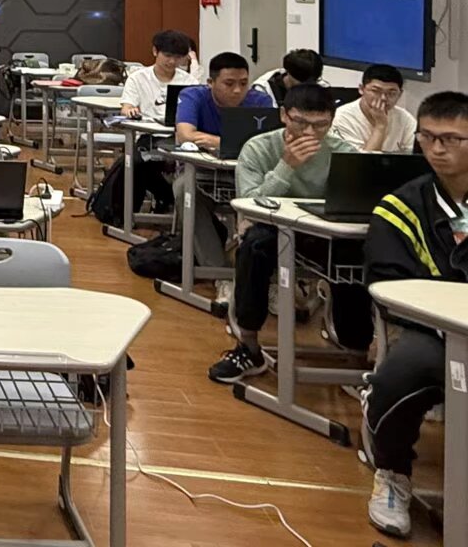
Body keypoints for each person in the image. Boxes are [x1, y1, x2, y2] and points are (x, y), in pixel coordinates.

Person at [360, 91, 468, 539]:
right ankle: (392, 473)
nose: (437, 149)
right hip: (435, 330)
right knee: (400, 375)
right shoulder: (400, 206)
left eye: (452, 139)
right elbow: (387, 283)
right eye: (428, 138)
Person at [208, 85, 352, 384]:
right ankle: (248, 345)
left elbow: (354, 203)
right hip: (271, 229)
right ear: (284, 115)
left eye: (320, 125)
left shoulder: (343, 152)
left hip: (322, 235)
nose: (309, 132)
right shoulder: (259, 147)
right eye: (301, 122)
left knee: (355, 254)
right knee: (254, 245)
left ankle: (357, 351)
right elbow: (249, 203)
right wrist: (287, 166)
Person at [176, 52, 276, 150]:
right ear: (210, 83)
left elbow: (267, 144)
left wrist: (221, 143)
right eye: (229, 84)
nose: (237, 90)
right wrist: (237, 145)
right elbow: (185, 136)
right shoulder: (193, 96)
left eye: (243, 83)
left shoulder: (260, 100)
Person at [331, 64, 415, 154]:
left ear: (400, 94)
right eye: (376, 91)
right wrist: (380, 126)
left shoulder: (405, 118)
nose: (383, 98)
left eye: (391, 93)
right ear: (361, 89)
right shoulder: (341, 118)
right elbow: (361, 161)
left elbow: (416, 155)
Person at [120, 30, 193, 122]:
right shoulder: (137, 78)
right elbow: (126, 108)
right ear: (155, 51)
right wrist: (131, 111)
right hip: (147, 128)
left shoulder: (189, 81)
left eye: (178, 57)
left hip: (178, 129)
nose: (172, 61)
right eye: (168, 56)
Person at [252, 48, 325, 105]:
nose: (307, 87)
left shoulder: (321, 87)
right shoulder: (263, 90)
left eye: (313, 82)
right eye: (303, 83)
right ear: (289, 73)